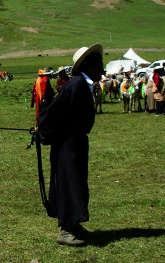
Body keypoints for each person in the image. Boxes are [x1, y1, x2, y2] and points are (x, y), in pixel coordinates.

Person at [37, 43, 103, 246]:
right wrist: (44, 132)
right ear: (89, 65)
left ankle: (74, 224)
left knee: (76, 183)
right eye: (99, 64)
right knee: (69, 184)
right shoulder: (76, 85)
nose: (102, 68)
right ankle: (66, 230)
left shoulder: (82, 85)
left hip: (75, 144)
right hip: (67, 145)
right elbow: (55, 111)